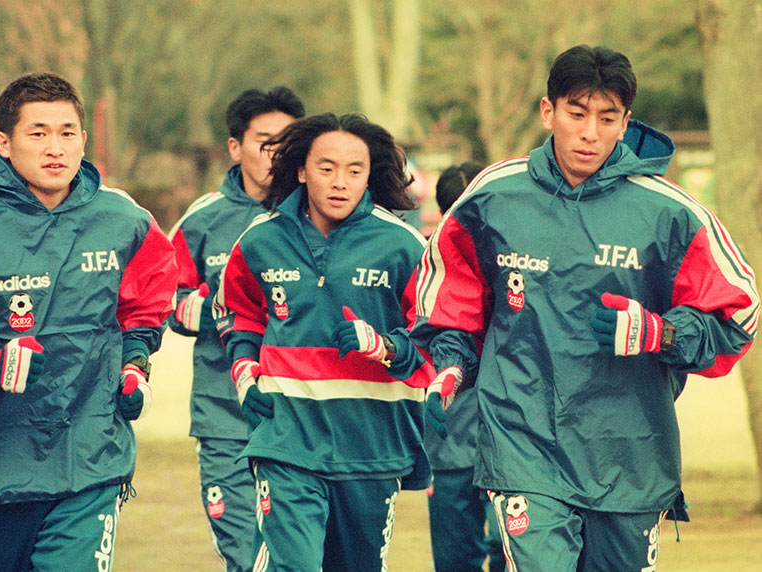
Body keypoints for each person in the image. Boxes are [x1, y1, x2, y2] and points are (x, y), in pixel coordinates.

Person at [412, 44, 759, 572]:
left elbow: (738, 315)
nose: (590, 132)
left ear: (625, 124)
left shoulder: (668, 212)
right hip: (523, 449)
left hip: (629, 454)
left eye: (607, 118)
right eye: (577, 114)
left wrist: (660, 334)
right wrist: (450, 365)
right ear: (549, 112)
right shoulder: (493, 196)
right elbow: (448, 300)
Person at [0, 72, 178, 572]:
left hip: (89, 461)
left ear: (84, 139)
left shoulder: (125, 220)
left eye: (67, 133)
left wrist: (134, 365)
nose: (55, 148)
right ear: (4, 142)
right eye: (37, 133)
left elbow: (146, 306)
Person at [212, 112, 435, 571]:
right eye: (326, 167)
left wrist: (386, 347)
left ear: (370, 175)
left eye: (355, 170)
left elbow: (434, 340)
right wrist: (245, 373)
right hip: (286, 442)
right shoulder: (260, 240)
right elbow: (238, 313)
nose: (340, 182)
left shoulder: (404, 246)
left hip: (372, 449)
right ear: (301, 170)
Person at [166, 86, 304, 572]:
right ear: (234, 147)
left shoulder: (323, 215)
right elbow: (162, 298)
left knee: (301, 555)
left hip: (304, 417)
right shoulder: (203, 221)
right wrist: (212, 310)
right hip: (225, 416)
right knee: (243, 555)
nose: (276, 154)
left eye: (287, 142)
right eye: (264, 141)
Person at [425, 160, 506, 572]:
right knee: (457, 559)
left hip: (510, 441)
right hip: (449, 443)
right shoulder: (429, 267)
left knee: (513, 550)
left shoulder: (515, 263)